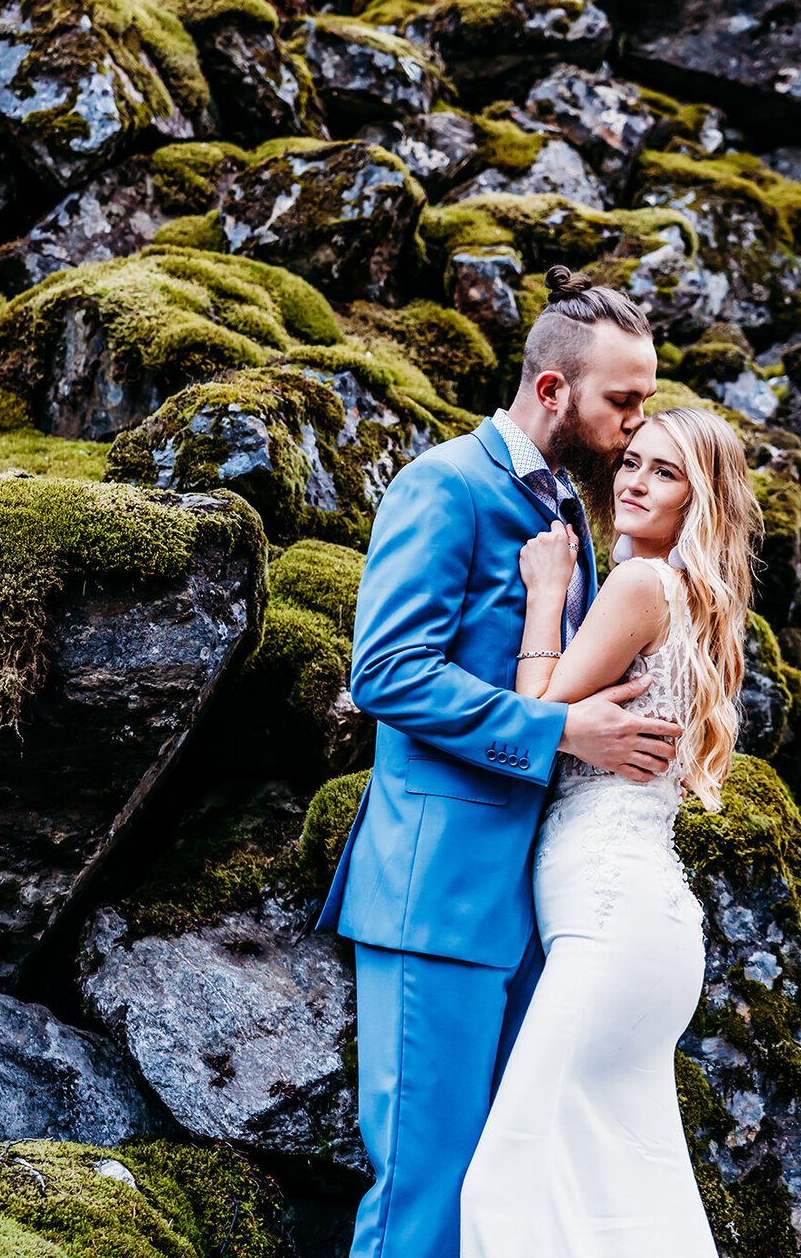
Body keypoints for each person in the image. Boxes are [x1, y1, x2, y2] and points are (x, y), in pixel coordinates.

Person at [316, 267, 682, 1258]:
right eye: (622, 400)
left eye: (644, 401)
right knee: (422, 1199)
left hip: (542, 902)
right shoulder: (444, 483)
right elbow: (387, 672)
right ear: (554, 390)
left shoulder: (574, 512)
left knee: (504, 1202)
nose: (634, 424)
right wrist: (562, 732)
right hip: (434, 895)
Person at [460, 404, 762, 1256]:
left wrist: (548, 593)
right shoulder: (697, 599)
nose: (634, 480)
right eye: (632, 461)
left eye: (665, 472)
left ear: (699, 500)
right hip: (643, 921)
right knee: (624, 1200)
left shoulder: (641, 585)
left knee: (507, 1188)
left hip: (611, 915)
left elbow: (527, 717)